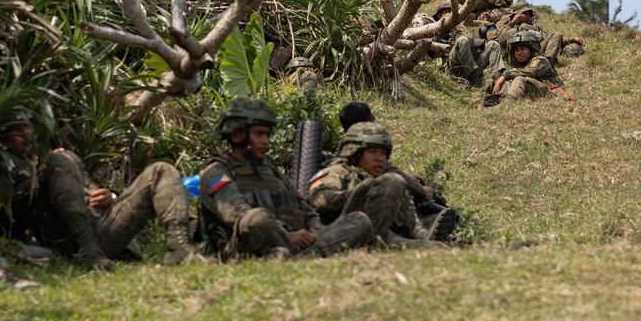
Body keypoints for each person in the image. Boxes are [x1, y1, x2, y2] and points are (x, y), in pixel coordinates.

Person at [0, 118, 203, 272]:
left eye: (26, 126)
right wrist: (39, 178)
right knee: (62, 158)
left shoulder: (49, 157)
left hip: (103, 230)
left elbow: (89, 189)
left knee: (161, 170)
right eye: (15, 129)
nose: (24, 133)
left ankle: (179, 246)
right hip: (67, 238)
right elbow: (11, 212)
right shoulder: (1, 168)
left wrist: (110, 197)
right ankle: (89, 254)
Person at [197, 97, 374, 260]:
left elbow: (302, 205)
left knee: (359, 220)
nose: (265, 140)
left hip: (294, 244)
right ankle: (297, 255)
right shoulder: (216, 172)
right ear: (237, 135)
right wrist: (288, 236)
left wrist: (313, 225)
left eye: (267, 134)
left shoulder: (270, 171)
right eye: (259, 134)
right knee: (256, 218)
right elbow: (238, 214)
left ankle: (299, 257)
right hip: (242, 249)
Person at [337, 102, 461, 242]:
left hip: (363, 219)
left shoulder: (347, 146)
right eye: (373, 152)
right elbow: (393, 173)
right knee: (400, 188)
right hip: (363, 222)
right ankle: (421, 234)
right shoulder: (360, 148)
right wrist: (422, 191)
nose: (379, 157)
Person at [309, 122, 444, 247]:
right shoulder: (338, 171)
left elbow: (406, 219)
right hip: (346, 234)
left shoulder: (383, 179)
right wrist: (361, 192)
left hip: (383, 235)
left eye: (383, 153)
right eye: (372, 152)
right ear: (355, 153)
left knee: (439, 247)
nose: (379, 158)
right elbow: (319, 199)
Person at [482, 31, 576, 107]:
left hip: (555, 95)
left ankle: (506, 106)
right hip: (534, 92)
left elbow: (531, 72)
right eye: (516, 50)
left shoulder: (541, 60)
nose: (518, 53)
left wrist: (505, 75)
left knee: (519, 79)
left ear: (532, 50)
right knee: (490, 82)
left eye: (523, 49)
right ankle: (483, 106)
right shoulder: (521, 67)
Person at [432, 0, 502, 86]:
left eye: (452, 11)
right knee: (463, 40)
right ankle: (473, 77)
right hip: (451, 69)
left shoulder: (457, 30)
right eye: (448, 11)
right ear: (439, 15)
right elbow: (432, 58)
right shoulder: (434, 32)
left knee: (493, 45)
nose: (451, 14)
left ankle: (498, 79)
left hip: (468, 66)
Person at [491, 3, 585, 64]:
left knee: (557, 35)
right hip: (515, 59)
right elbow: (497, 43)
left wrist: (572, 40)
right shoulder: (509, 27)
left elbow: (551, 43)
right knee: (512, 32)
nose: (526, 17)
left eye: (529, 14)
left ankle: (548, 62)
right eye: (523, 14)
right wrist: (513, 23)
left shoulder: (536, 28)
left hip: (535, 56)